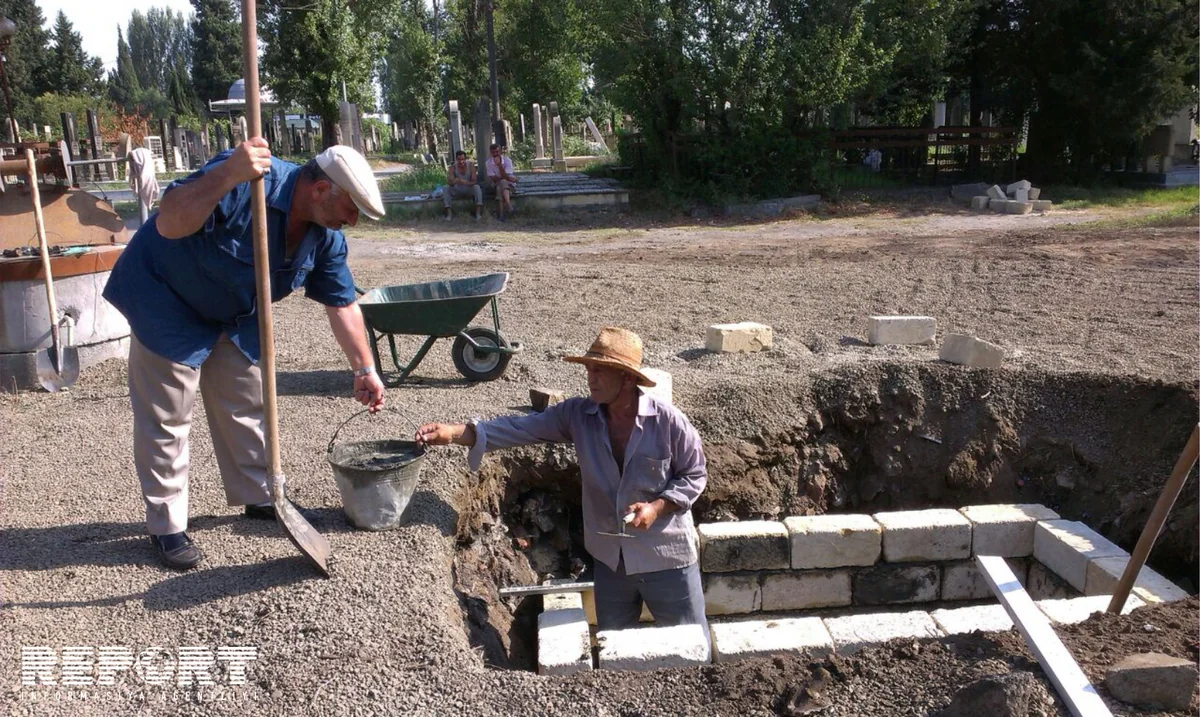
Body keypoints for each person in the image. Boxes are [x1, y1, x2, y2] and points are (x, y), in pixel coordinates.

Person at [102, 139, 388, 570]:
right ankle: (167, 525)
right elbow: (170, 220)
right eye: (351, 208)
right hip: (167, 299)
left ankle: (261, 496)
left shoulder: (324, 237)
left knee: (247, 400)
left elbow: (343, 303)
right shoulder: (246, 177)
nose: (352, 220)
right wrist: (227, 173)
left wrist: (364, 368)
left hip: (235, 311)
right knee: (168, 416)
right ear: (320, 190)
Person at [416, 327, 708, 631]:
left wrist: (657, 508)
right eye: (588, 369)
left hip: (665, 557)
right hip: (611, 561)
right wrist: (454, 433)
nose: (590, 378)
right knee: (613, 647)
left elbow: (695, 475)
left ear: (626, 377)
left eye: (600, 370)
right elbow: (520, 428)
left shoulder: (669, 423)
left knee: (690, 644)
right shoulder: (578, 416)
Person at [443, 150, 483, 221]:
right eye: (459, 159)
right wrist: (455, 181)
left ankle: (478, 213)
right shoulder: (453, 167)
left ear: (465, 159)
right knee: (445, 188)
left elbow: (474, 181)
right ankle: (449, 214)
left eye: (463, 159)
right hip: (457, 189)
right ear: (456, 159)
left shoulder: (471, 166)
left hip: (468, 188)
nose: (461, 161)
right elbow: (450, 183)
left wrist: (465, 182)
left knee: (477, 187)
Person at [485, 143, 518, 220]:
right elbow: (494, 179)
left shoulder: (507, 161)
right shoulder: (488, 163)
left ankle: (501, 215)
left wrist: (500, 166)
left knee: (500, 186)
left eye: (497, 152)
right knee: (501, 184)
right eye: (493, 152)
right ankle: (509, 207)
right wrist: (508, 178)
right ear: (490, 152)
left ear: (500, 151)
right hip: (497, 184)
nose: (495, 154)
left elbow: (506, 177)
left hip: (510, 186)